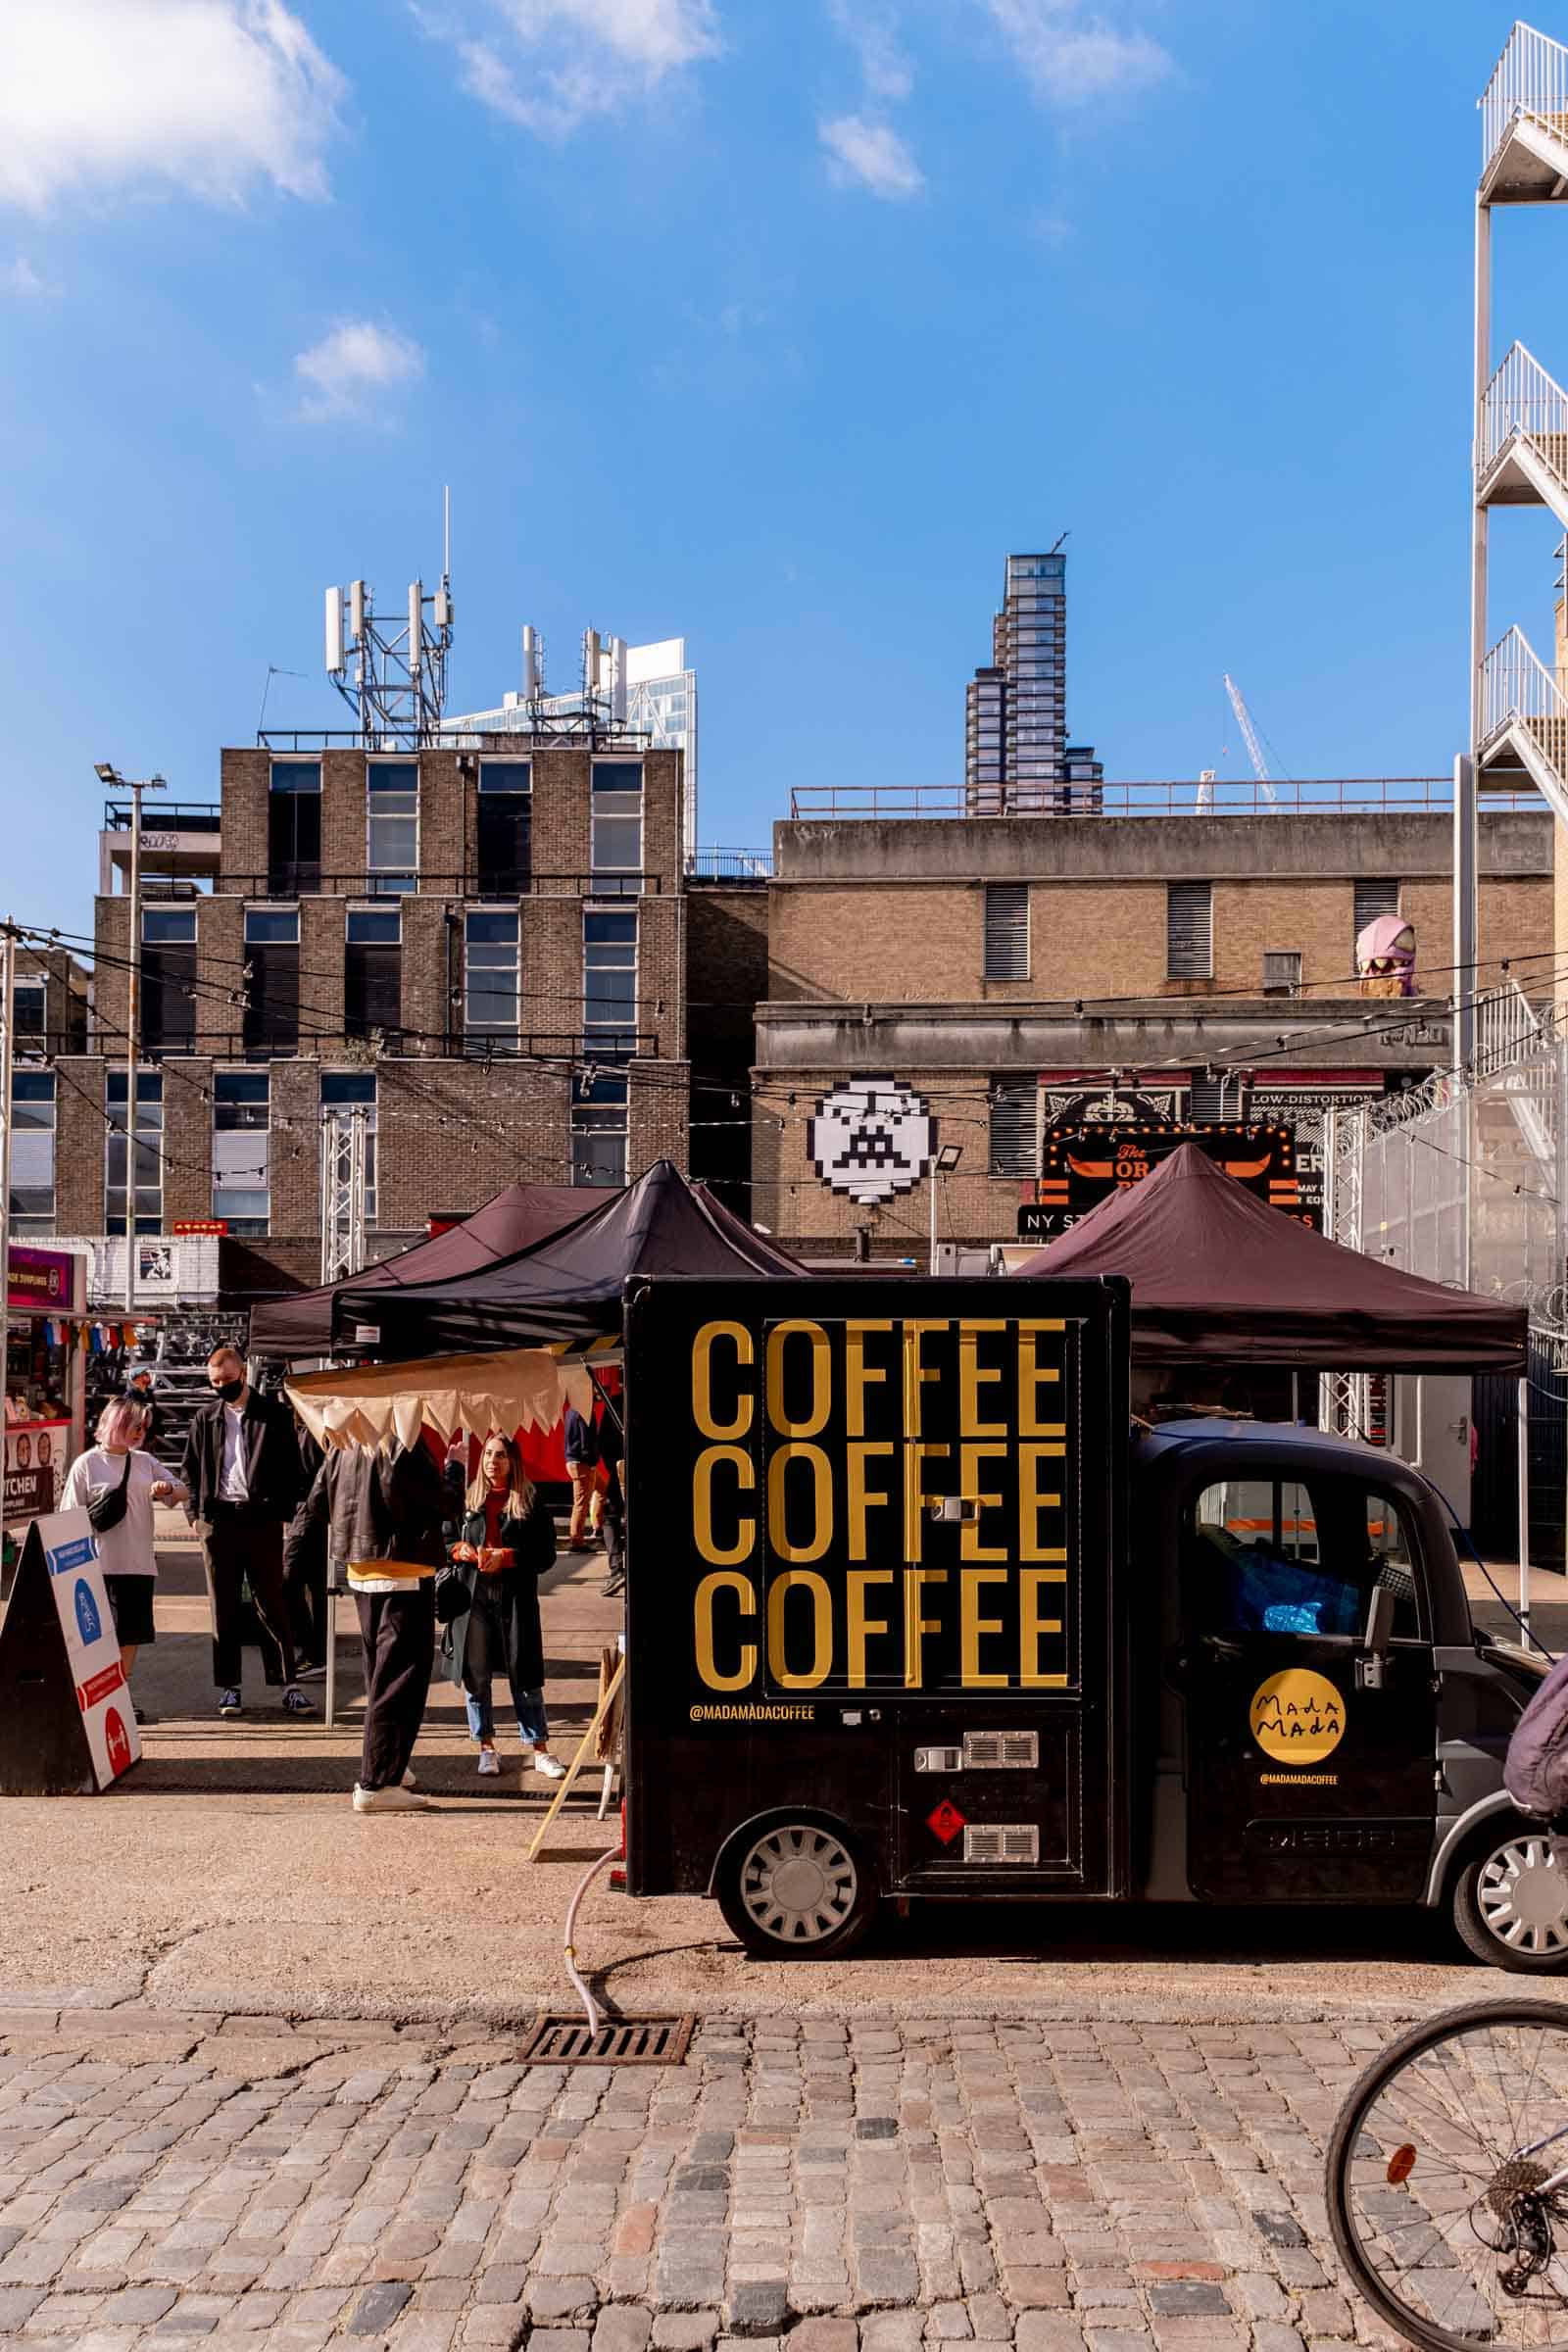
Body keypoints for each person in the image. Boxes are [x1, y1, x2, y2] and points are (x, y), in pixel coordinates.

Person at [304, 1437, 447, 1812]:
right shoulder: (403, 1444)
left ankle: (391, 1764)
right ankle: (377, 1781)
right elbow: (443, 1500)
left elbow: (318, 1502)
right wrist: (458, 1469)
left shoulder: (343, 1444)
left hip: (360, 1568)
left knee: (380, 1677)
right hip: (402, 1569)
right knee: (398, 1681)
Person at [180, 1346, 311, 1720]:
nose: (220, 1386)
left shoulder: (274, 1415)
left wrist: (281, 1512)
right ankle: (230, 1687)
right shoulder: (206, 1418)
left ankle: (289, 1684)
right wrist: (195, 1514)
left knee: (272, 1602)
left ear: (242, 1375)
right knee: (223, 1606)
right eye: (214, 1382)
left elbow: (293, 1468)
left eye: (225, 1380)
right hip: (218, 1521)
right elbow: (189, 1468)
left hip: (261, 1520)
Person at [446, 1432, 564, 1780]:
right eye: (487, 1455)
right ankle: (486, 1746)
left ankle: (539, 1747)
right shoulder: (468, 1500)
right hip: (474, 1597)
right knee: (476, 1674)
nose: (492, 1462)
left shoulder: (529, 1501)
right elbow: (446, 1540)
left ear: (513, 1461)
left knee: (524, 1673)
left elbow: (546, 1555)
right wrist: (462, 1551)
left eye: (499, 1455)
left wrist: (508, 1557)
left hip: (515, 1596)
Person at [60, 1397, 187, 1720]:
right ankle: (93, 1699)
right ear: (116, 1424)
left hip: (138, 1564)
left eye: (144, 1427)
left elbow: (183, 1489)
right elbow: (68, 1518)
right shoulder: (87, 1464)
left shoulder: (144, 1461)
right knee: (95, 1639)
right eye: (135, 1426)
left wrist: (165, 1489)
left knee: (131, 1635)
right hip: (97, 1566)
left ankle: (119, 1693)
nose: (140, 1433)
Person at [281, 1421, 329, 1681]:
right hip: (312, 1512)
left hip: (309, 1512)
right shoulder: (311, 1430)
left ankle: (314, 1652)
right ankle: (316, 1652)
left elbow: (309, 1475)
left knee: (291, 1580)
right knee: (316, 1584)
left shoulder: (312, 1432)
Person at [564, 1403, 602, 1550]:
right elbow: (586, 1439)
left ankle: (598, 1527)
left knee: (603, 1488)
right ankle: (576, 1540)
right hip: (583, 1462)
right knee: (581, 1503)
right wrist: (592, 1461)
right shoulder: (584, 1410)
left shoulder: (570, 1411)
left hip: (574, 1460)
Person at [125, 1367, 159, 1446]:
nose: (148, 1376)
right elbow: (130, 1412)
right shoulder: (130, 1394)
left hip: (149, 1433)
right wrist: (145, 1408)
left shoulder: (150, 1393)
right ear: (136, 1379)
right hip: (136, 1433)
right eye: (145, 1374)